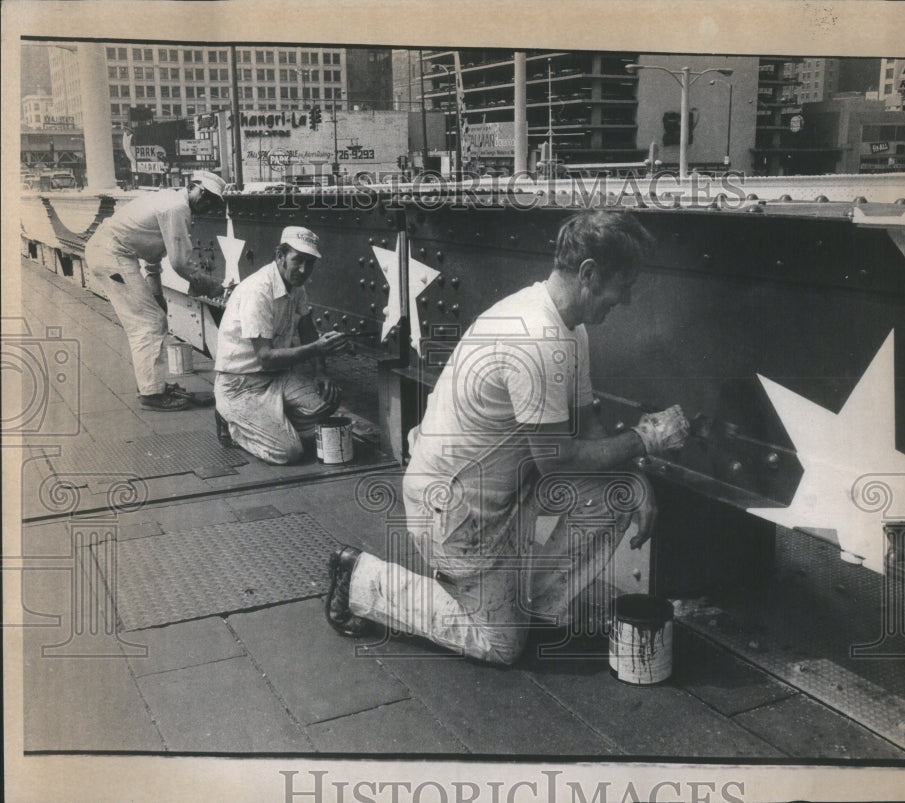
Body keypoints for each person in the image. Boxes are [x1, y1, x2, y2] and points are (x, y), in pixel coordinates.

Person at [325, 209, 689, 664]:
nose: (628, 300)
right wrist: (647, 438)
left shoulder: (568, 330)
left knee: (616, 493)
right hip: (453, 512)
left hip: (499, 494)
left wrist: (635, 478)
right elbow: (558, 460)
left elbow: (586, 429)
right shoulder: (538, 338)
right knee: (500, 646)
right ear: (590, 275)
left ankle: (522, 608)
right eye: (624, 284)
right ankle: (362, 580)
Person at [84, 170, 228, 411]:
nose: (207, 205)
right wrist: (211, 285)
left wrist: (157, 294)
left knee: (152, 319)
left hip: (113, 253)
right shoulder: (176, 208)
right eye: (206, 198)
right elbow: (180, 263)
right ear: (195, 189)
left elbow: (152, 257)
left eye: (213, 202)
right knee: (148, 323)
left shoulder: (171, 201)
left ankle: (153, 386)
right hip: (112, 255)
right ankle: (152, 393)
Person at [213, 226, 349, 465]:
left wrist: (321, 372)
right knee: (289, 452)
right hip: (240, 384)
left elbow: (307, 331)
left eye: (310, 263)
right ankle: (233, 425)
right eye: (298, 261)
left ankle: (266, 423)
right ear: (280, 256)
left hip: (275, 378)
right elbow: (265, 356)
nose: (304, 270)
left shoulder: (296, 286)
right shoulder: (258, 289)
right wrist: (317, 348)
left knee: (329, 399)